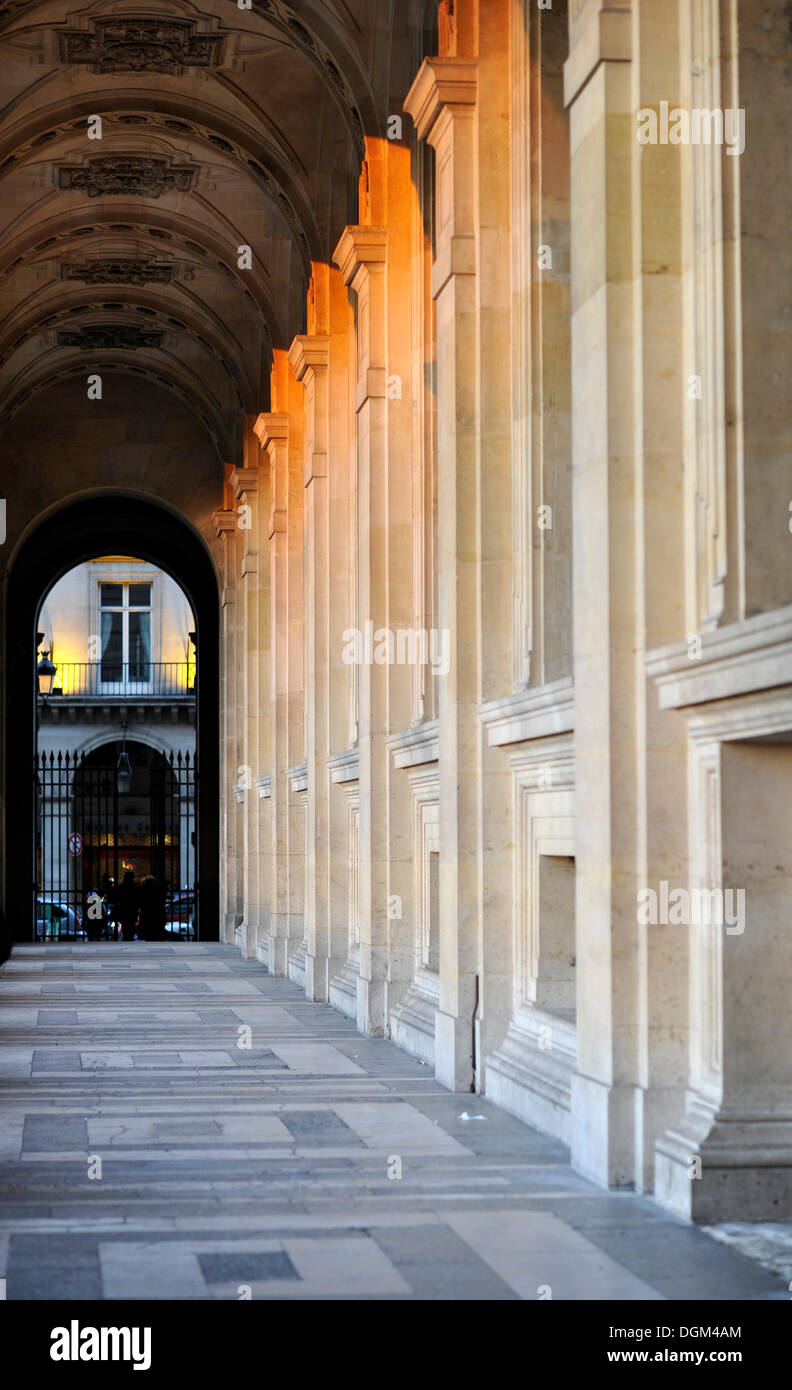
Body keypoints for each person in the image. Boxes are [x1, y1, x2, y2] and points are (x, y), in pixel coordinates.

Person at [138, 875, 166, 942]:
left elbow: (140, 902)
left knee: (147, 931)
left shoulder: (142, 891)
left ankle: (147, 938)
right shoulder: (157, 891)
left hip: (146, 913)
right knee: (155, 931)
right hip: (155, 914)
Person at [116, 870, 139, 942]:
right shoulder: (135, 888)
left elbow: (117, 898)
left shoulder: (121, 888)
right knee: (131, 927)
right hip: (132, 910)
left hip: (124, 910)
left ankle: (126, 938)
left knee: (126, 927)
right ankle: (129, 938)